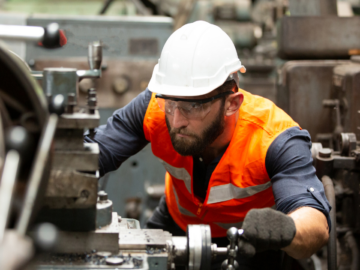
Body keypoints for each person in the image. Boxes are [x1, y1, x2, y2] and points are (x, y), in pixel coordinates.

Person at [85, 21, 330, 269]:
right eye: (170, 104)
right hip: (176, 222)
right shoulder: (155, 108)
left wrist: (284, 229)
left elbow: (315, 225)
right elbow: (92, 153)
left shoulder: (274, 138)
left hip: (250, 239)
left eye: (194, 106)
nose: (177, 121)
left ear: (232, 103)